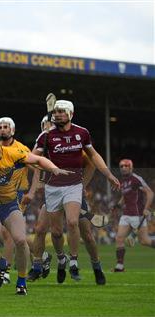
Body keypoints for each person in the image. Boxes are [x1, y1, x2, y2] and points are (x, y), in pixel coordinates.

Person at [0, 128, 72, 295]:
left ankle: (21, 281)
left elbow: (38, 159)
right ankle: (1, 263)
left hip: (9, 204)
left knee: (21, 241)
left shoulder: (12, 153)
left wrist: (54, 169)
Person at [32, 100, 119, 283]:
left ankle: (89, 265)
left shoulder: (82, 133)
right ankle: (61, 259)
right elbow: (32, 159)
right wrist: (42, 172)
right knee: (55, 233)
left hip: (73, 187)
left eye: (61, 112)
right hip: (53, 188)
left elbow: (93, 158)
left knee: (79, 227)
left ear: (71, 114)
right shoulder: (46, 136)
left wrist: (108, 175)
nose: (57, 114)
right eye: (55, 112)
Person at [0, 117, 34, 266]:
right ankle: (40, 253)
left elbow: (36, 170)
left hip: (18, 195)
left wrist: (32, 192)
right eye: (0, 126)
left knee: (6, 233)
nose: (3, 129)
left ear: (12, 130)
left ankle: (6, 270)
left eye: (6, 126)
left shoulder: (21, 149)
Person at [113, 159, 155, 272]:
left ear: (131, 167)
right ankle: (120, 266)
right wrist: (118, 204)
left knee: (144, 241)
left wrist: (146, 209)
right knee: (119, 238)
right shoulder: (122, 181)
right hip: (126, 214)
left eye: (126, 165)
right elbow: (125, 195)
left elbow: (150, 193)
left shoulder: (136, 179)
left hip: (138, 214)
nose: (123, 167)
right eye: (121, 166)